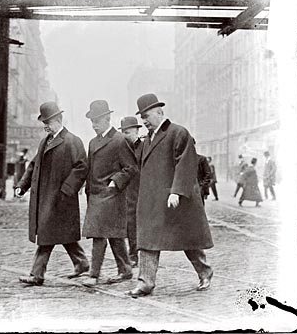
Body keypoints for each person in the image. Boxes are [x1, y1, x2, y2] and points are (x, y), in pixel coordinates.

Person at [125, 93, 214, 298]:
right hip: (153, 200)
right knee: (147, 240)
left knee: (187, 240)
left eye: (146, 116)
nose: (144, 121)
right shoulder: (148, 139)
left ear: (160, 112)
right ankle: (145, 283)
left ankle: (204, 272)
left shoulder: (178, 133)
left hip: (177, 200)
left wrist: (176, 191)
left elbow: (186, 163)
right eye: (142, 118)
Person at [15, 102, 89, 286]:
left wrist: (66, 190)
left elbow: (82, 167)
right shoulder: (45, 142)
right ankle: (81, 263)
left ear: (58, 120)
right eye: (43, 122)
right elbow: (33, 166)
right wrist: (21, 186)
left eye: (47, 121)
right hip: (46, 199)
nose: (45, 125)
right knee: (60, 235)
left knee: (48, 236)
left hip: (61, 199)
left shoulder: (73, 141)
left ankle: (37, 275)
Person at [82, 100, 137, 286]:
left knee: (99, 235)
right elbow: (90, 170)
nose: (94, 124)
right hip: (96, 195)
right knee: (114, 235)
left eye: (97, 120)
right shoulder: (92, 142)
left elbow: (131, 168)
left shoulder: (120, 140)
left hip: (111, 195)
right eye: (92, 121)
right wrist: (87, 189)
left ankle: (93, 274)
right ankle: (126, 269)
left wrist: (115, 181)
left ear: (107, 119)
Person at [118, 116, 143, 268]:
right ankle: (132, 253)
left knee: (136, 223)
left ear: (136, 130)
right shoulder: (122, 146)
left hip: (142, 189)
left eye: (128, 132)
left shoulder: (144, 145)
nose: (125, 136)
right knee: (129, 224)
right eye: (124, 133)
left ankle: (134, 254)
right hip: (127, 190)